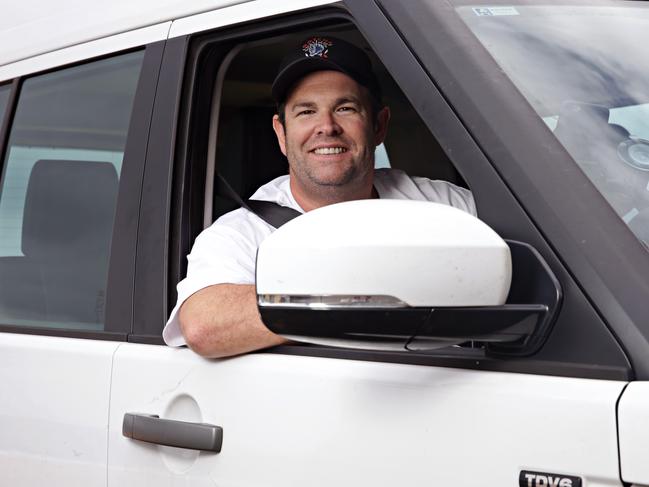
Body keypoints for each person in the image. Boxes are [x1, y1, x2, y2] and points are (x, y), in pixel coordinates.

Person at [162, 36, 476, 357]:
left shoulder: (444, 206)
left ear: (379, 126)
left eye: (345, 108)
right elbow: (205, 325)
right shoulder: (240, 234)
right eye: (306, 112)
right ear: (281, 134)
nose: (326, 127)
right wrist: (364, 293)